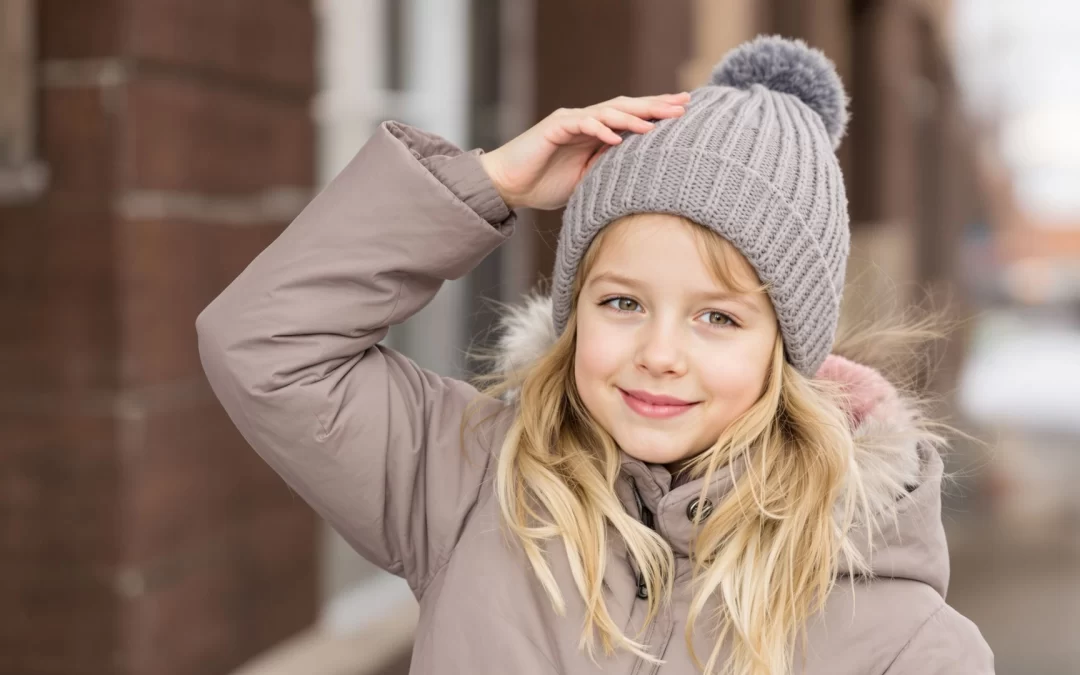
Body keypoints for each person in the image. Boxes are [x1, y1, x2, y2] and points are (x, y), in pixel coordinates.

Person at [197, 35, 993, 674]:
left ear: (789, 350)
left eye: (717, 317)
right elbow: (266, 345)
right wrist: (489, 183)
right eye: (621, 302)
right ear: (573, 310)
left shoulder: (906, 641)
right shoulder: (471, 483)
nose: (659, 353)